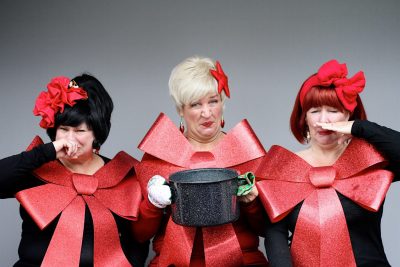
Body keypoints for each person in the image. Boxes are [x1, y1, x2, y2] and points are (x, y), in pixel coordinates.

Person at [0, 74, 153, 266]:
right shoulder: (35, 168)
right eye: (64, 129)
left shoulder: (122, 175)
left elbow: (138, 239)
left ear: (96, 134)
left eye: (80, 131)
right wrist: (46, 152)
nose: (70, 139)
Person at [256, 59, 396, 267]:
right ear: (304, 119)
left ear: (348, 114)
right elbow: (274, 235)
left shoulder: (369, 161)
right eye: (314, 111)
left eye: (333, 110)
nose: (324, 120)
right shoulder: (283, 167)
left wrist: (359, 127)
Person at [136, 56, 269, 266]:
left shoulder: (246, 151)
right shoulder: (160, 154)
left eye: (213, 101)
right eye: (196, 104)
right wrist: (153, 205)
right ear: (181, 110)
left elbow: (266, 230)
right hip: (176, 262)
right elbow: (139, 235)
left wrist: (252, 204)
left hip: (240, 261)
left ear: (222, 104)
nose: (207, 113)